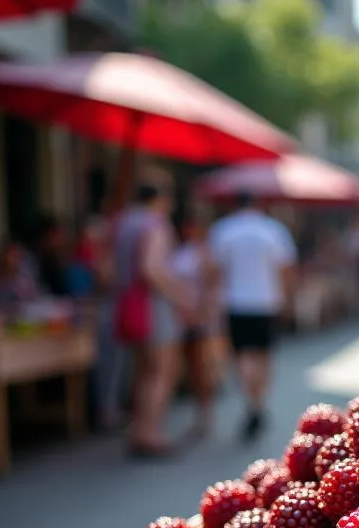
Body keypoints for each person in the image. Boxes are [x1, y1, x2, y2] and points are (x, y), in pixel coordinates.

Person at [208, 192, 297, 441]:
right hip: (267, 302)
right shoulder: (272, 230)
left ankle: (251, 402)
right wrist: (287, 298)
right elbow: (286, 268)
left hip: (236, 303)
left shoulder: (223, 230)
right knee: (264, 355)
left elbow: (215, 271)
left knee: (243, 356)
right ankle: (259, 403)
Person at [112, 172, 189, 458]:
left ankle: (138, 431)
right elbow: (152, 269)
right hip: (153, 307)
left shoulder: (122, 223)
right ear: (161, 199)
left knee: (142, 371)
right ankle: (152, 434)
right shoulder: (156, 224)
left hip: (127, 304)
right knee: (161, 372)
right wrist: (179, 296)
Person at [172, 214, 221, 440]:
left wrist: (203, 311)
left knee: (202, 368)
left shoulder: (204, 254)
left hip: (198, 318)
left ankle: (204, 415)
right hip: (181, 317)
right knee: (189, 368)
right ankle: (199, 413)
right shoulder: (178, 252)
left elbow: (211, 284)